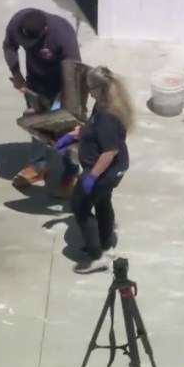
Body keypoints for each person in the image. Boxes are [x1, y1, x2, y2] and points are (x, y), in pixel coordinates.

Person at [55, 66, 132, 274]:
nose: (88, 92)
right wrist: (74, 135)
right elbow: (93, 128)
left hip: (104, 172)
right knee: (103, 202)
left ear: (101, 88)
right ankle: (106, 244)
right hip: (113, 171)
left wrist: (91, 176)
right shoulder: (104, 104)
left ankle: (97, 256)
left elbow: (109, 152)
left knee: (80, 208)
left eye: (91, 88)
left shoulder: (107, 115)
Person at [3, 8, 83, 196]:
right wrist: (16, 74)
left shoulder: (63, 34)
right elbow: (9, 46)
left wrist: (60, 103)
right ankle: (38, 165)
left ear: (45, 30)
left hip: (64, 83)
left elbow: (74, 71)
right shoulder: (18, 22)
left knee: (63, 128)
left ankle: (71, 172)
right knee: (36, 122)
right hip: (36, 81)